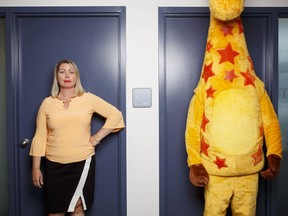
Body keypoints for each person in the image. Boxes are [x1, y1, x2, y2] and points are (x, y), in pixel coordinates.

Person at [29, 59, 125, 216]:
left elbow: (116, 115)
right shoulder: (47, 103)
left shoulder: (87, 99)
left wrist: (96, 138)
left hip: (82, 162)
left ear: (76, 77)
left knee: (78, 208)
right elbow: (40, 136)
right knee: (54, 211)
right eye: (62, 71)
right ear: (57, 77)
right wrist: (35, 167)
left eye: (71, 71)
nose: (67, 75)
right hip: (53, 164)